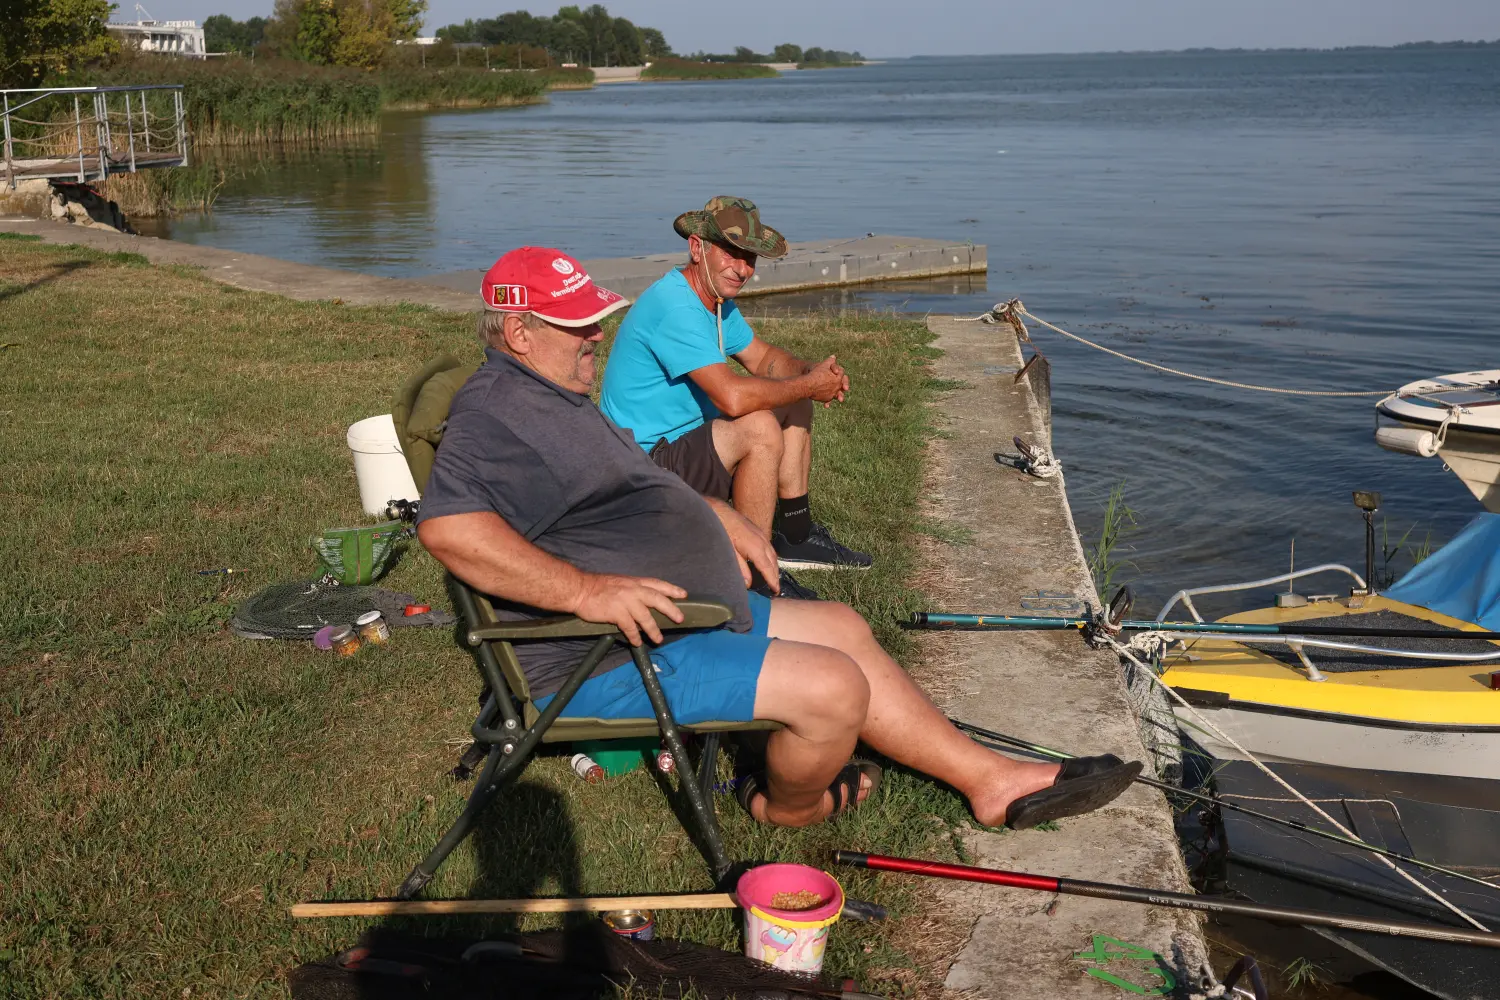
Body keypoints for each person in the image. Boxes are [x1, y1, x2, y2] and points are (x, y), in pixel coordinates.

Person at [416, 246, 1143, 831]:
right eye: (579, 325)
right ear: (517, 332)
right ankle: (787, 809)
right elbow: (450, 530)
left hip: (675, 618)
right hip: (600, 661)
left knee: (841, 626)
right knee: (833, 688)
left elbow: (625, 480)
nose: (597, 335)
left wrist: (715, 511)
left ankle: (989, 779)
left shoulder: (551, 396)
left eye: (597, 318)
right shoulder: (497, 415)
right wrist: (586, 591)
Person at [600, 196, 871, 579]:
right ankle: (755, 574)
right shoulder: (675, 306)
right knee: (760, 425)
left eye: (751, 259)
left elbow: (763, 360)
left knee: (794, 399)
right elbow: (732, 396)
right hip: (642, 468)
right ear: (697, 248)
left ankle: (794, 536)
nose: (743, 269)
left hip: (682, 445)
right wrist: (807, 384)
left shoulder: (713, 299)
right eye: (732, 253)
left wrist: (810, 373)